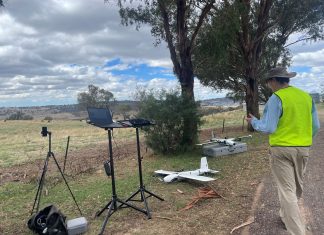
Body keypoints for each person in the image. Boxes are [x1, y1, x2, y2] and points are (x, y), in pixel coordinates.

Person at [246, 67, 320, 235]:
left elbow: (269, 127)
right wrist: (303, 140)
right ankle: (286, 215)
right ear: (286, 79)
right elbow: (316, 126)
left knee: (287, 191)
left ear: (273, 81)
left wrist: (254, 122)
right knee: (296, 187)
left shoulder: (276, 98)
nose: (269, 85)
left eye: (268, 82)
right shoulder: (306, 97)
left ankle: (297, 231)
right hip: (303, 148)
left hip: (281, 150)